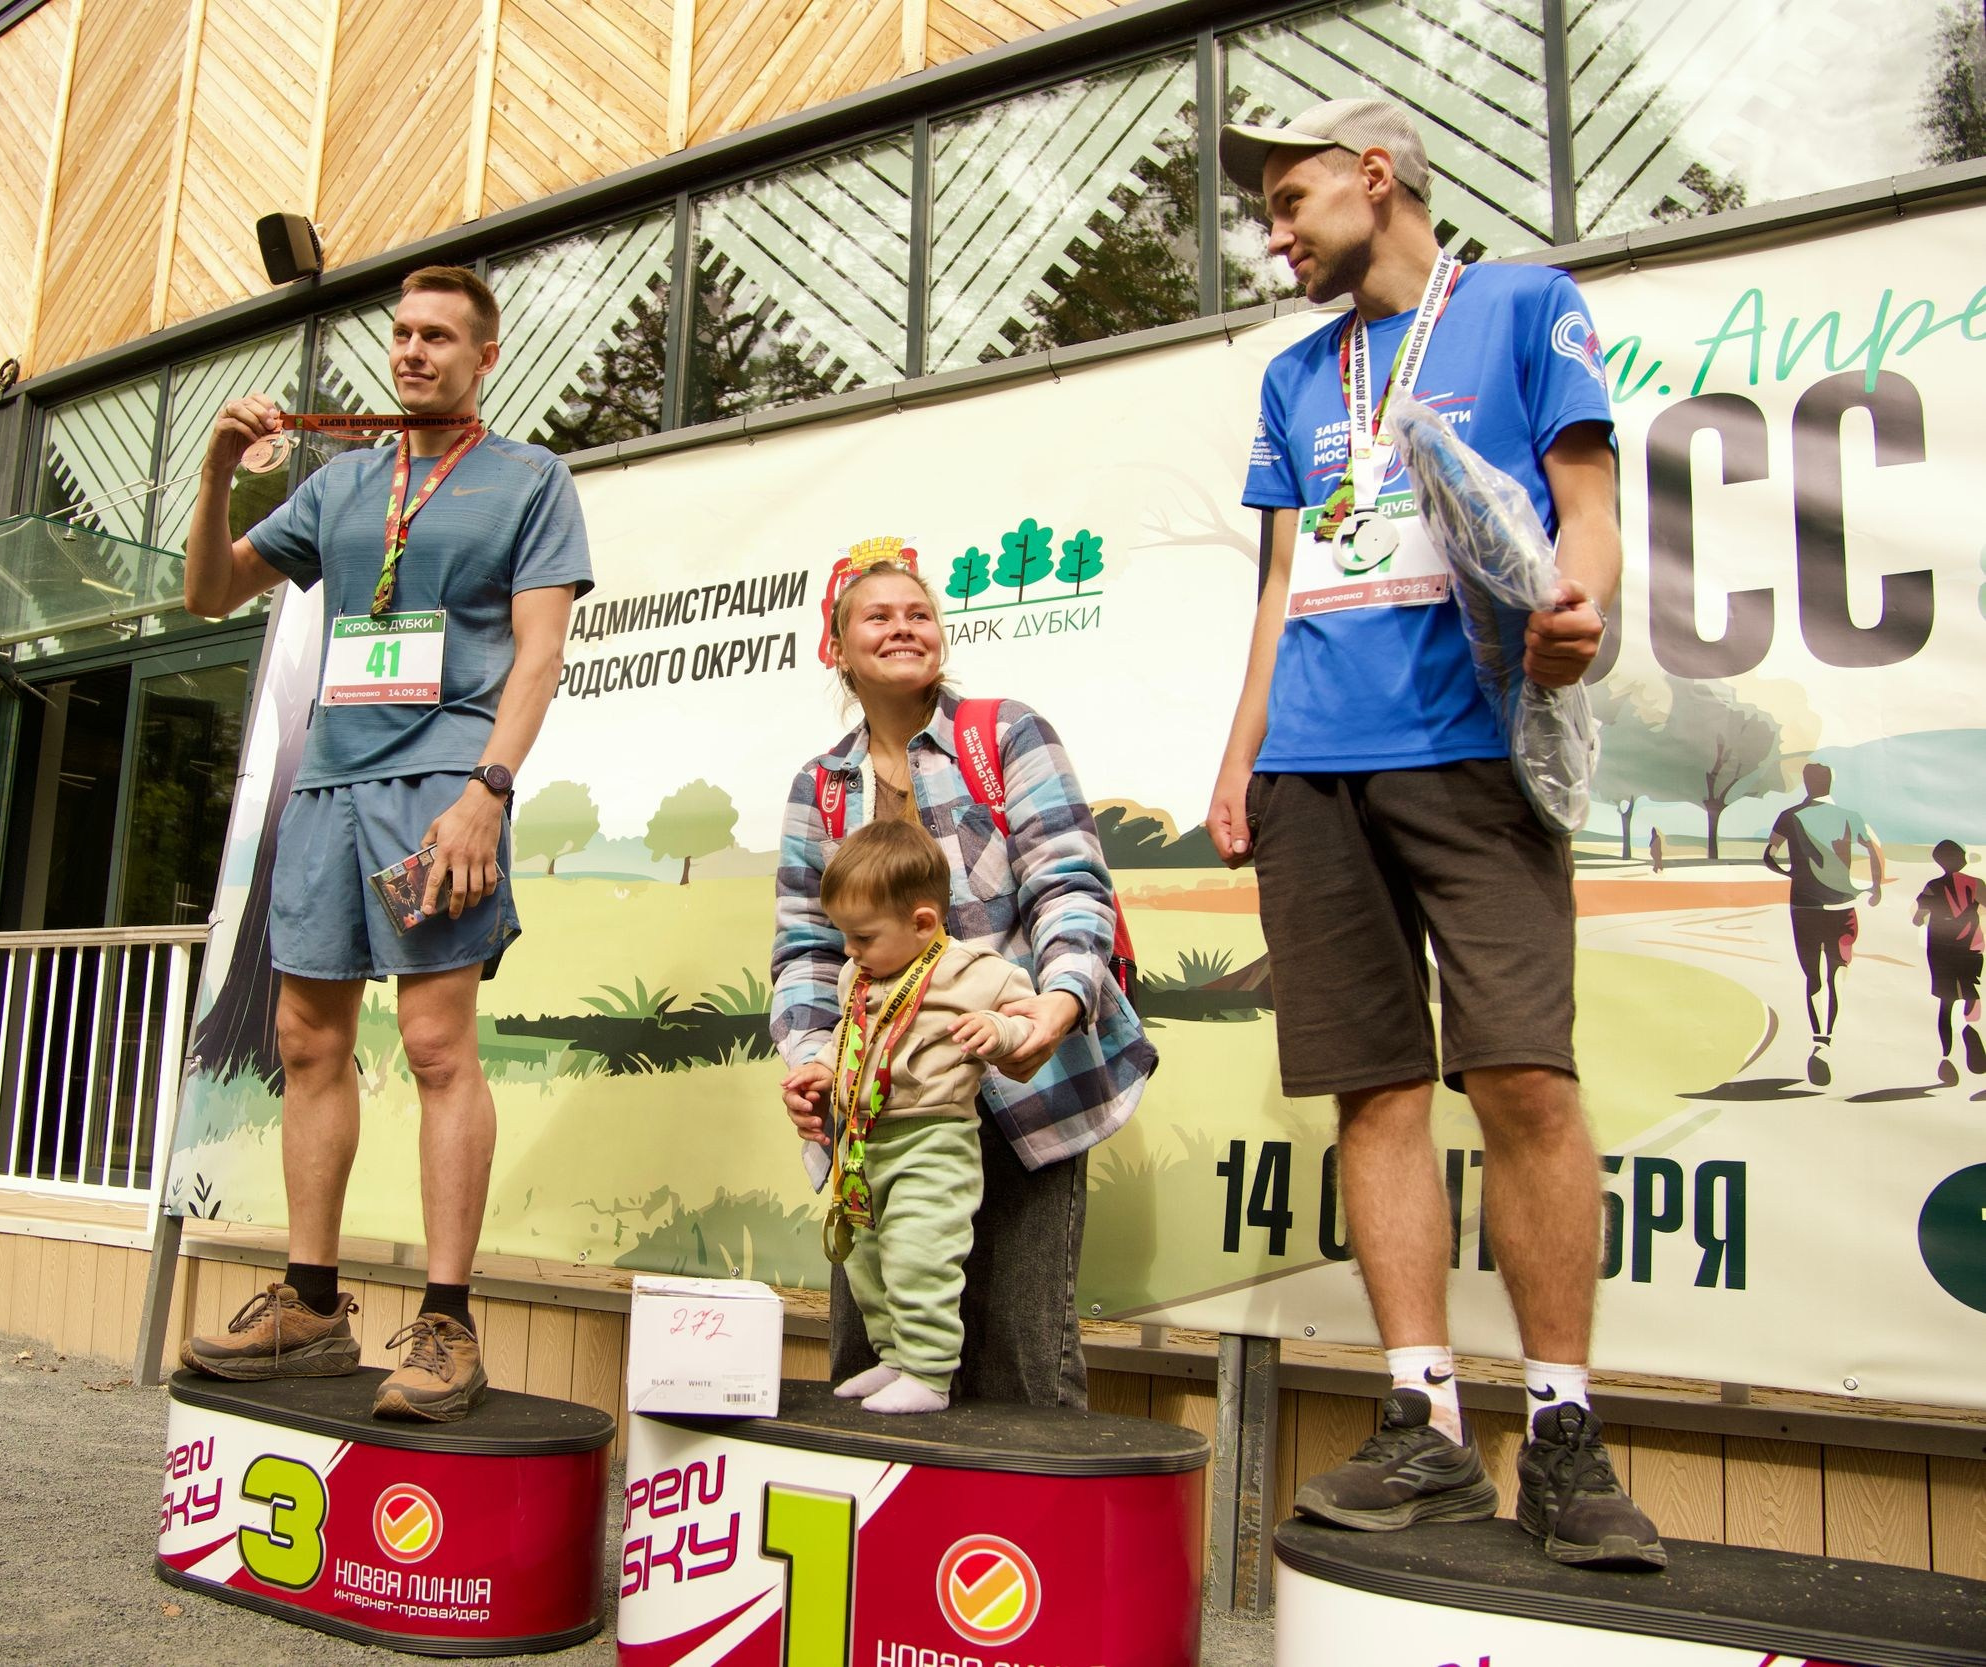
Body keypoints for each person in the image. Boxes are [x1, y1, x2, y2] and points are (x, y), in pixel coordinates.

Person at [1208, 100, 1661, 1569]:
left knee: (1525, 1075)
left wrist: (1579, 610)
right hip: (1310, 771)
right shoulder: (1295, 373)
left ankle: (1567, 1431)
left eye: (1288, 201)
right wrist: (1239, 756)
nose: (1272, 233)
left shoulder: (1526, 304)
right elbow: (1281, 582)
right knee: (1375, 1091)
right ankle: (1425, 1423)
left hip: (1475, 745)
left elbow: (1585, 506)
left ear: (1376, 173)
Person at [174, 266, 592, 1422]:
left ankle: (448, 1322)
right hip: (329, 783)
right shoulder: (346, 481)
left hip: (442, 780)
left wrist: (486, 793)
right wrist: (214, 471)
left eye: (439, 336)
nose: (413, 352)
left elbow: (539, 653)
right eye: (402, 334)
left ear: (484, 356)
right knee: (305, 1035)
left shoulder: (528, 481)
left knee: (433, 1038)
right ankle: (310, 1305)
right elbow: (213, 593)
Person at [773, 558, 1155, 1410]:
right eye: (877, 617)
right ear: (835, 648)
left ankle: (1027, 1540)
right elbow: (804, 949)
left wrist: (1054, 1007)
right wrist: (812, 1063)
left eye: (919, 612)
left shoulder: (1006, 733)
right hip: (880, 1103)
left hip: (1022, 1083)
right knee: (874, 1338)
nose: (904, 625)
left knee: (1024, 1355)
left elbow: (1071, 885)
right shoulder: (821, 788)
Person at [797, 819, 1038, 1414]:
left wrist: (1000, 1029)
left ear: (923, 923)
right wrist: (824, 1070)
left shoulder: (972, 970)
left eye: (862, 937)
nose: (849, 952)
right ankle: (895, 1358)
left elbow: (1030, 1019)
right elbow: (852, 1037)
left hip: (933, 1141)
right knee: (866, 1261)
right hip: (862, 1145)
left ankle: (930, 1375)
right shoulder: (861, 975)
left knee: (919, 1253)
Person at [1764, 761, 1885, 1084]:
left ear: (1806, 783)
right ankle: (1829, 1038)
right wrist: (1876, 886)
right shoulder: (1850, 816)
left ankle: (1820, 1040)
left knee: (1813, 976)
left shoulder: (1789, 816)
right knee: (1838, 974)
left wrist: (1790, 873)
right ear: (1830, 782)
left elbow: (1769, 855)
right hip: (1842, 904)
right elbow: (1875, 848)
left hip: (1803, 904)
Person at [1911, 840, 1984, 1086]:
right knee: (1971, 991)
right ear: (1961, 858)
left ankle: (1947, 1057)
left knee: (1946, 1001)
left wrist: (1926, 917)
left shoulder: (1932, 887)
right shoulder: (1976, 884)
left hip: (1941, 949)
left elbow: (1918, 919)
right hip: (1970, 946)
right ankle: (1969, 1025)